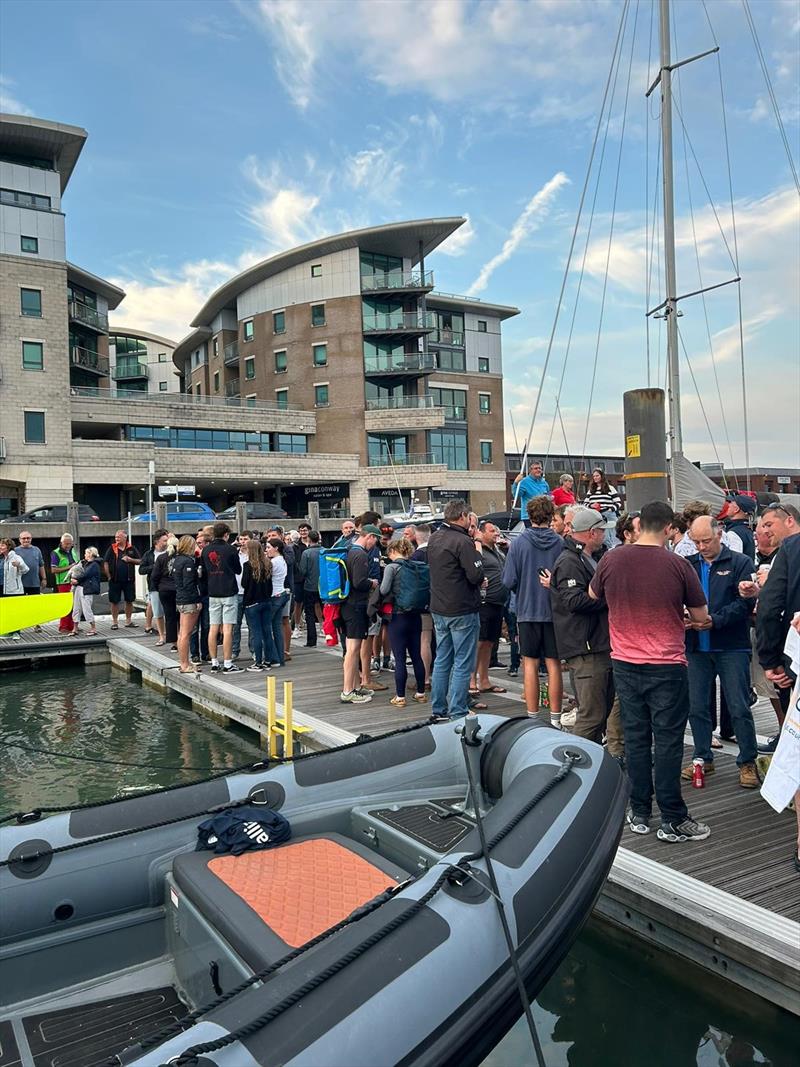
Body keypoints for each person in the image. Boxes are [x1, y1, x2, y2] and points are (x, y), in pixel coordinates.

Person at [589, 500, 712, 843]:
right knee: (669, 742)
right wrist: (686, 620)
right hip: (666, 664)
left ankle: (639, 809)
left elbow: (592, 593)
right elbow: (701, 616)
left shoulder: (612, 558)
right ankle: (672, 817)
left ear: (639, 524)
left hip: (625, 662)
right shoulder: (678, 565)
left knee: (636, 738)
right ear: (671, 528)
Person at [682, 516, 759, 788]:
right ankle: (703, 757)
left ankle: (748, 761)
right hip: (695, 647)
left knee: (738, 705)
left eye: (706, 540)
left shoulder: (740, 562)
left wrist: (715, 620)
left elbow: (744, 604)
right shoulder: (687, 565)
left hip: (731, 646)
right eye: (696, 541)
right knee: (697, 706)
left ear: (719, 534)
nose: (701, 546)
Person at [550, 509, 616, 747]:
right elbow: (574, 601)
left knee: (600, 711)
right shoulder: (569, 561)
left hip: (596, 644)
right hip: (586, 647)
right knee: (591, 715)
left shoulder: (588, 558)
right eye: (601, 531)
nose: (604, 537)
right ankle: (575, 765)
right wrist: (609, 598)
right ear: (591, 533)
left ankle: (590, 761)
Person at [502, 495, 564, 726]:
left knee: (529, 663)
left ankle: (532, 717)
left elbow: (508, 580)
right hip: (553, 611)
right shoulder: (559, 543)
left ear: (529, 515)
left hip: (527, 610)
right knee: (553, 664)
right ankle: (556, 719)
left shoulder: (518, 543)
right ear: (550, 515)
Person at [427, 500, 485, 721]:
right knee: (463, 662)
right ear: (463, 516)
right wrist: (477, 546)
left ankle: (438, 709)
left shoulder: (435, 537)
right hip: (461, 608)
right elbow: (475, 575)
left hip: (439, 607)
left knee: (442, 658)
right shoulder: (462, 541)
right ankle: (458, 710)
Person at [379, 537, 427, 707]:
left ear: (393, 551)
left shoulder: (392, 567)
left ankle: (400, 697)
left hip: (397, 616)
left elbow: (384, 590)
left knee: (400, 658)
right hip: (416, 616)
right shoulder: (417, 566)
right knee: (416, 656)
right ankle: (421, 693)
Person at [339, 524, 382, 704]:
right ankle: (348, 691)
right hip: (356, 606)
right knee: (353, 650)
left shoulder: (349, 550)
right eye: (375, 540)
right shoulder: (361, 554)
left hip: (346, 604)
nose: (375, 544)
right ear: (370, 536)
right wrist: (372, 583)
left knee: (351, 649)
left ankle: (356, 687)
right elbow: (359, 582)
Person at [469, 521, 509, 700]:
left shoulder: (497, 550)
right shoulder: (478, 550)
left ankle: (484, 680)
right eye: (492, 531)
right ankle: (471, 680)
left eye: (497, 530)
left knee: (489, 642)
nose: (496, 533)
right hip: (484, 600)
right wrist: (477, 543)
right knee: (479, 641)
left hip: (498, 601)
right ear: (482, 532)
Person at [202, 522, 243, 674]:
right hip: (228, 591)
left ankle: (214, 662)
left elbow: (205, 571)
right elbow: (238, 570)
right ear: (226, 534)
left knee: (213, 628)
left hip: (213, 591)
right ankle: (227, 663)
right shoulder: (231, 549)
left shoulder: (206, 550)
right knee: (227, 629)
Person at [242, 539, 274, 671]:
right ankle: (268, 660)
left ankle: (258, 662)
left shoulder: (248, 565)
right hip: (266, 601)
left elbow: (244, 583)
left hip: (252, 602)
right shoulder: (267, 563)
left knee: (256, 633)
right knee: (267, 631)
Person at [173, 535, 202, 674]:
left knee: (182, 633)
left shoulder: (176, 560)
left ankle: (184, 662)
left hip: (180, 598)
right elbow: (189, 583)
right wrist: (197, 600)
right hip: (189, 600)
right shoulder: (188, 562)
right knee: (186, 633)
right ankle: (184, 664)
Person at [411, 523, 435, 688]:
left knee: (424, 641)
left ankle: (425, 678)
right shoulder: (438, 552)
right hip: (442, 601)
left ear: (416, 537)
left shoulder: (415, 557)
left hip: (423, 604)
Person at [103, 530, 141, 629]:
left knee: (129, 600)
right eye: (116, 537)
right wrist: (108, 575)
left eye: (118, 537)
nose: (116, 539)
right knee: (114, 601)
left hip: (129, 580)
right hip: (114, 580)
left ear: (125, 537)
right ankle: (115, 622)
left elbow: (140, 561)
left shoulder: (131, 548)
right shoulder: (112, 548)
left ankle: (128, 621)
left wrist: (130, 559)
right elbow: (106, 562)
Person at [138, 529, 169, 641]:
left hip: (169, 586)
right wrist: (156, 566)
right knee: (158, 612)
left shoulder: (171, 552)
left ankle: (174, 635)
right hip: (154, 586)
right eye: (164, 540)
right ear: (157, 541)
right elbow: (141, 570)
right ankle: (161, 635)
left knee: (171, 613)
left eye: (167, 540)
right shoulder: (149, 554)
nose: (167, 543)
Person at [265, 538, 291, 667]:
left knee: (267, 627)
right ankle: (280, 657)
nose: (267, 550)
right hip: (282, 594)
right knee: (277, 627)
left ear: (276, 548)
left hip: (274, 596)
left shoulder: (273, 562)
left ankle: (273, 657)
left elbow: (265, 577)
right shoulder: (282, 560)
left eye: (269, 547)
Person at [150, 536, 179, 650]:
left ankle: (174, 643)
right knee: (181, 616)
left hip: (164, 590)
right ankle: (182, 638)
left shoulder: (161, 558)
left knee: (169, 616)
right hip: (178, 590)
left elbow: (154, 576)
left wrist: (159, 587)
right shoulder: (181, 558)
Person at [583, 468, 622, 550]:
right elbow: (585, 504)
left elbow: (618, 502)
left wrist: (610, 509)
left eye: (597, 475)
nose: (595, 478)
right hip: (596, 515)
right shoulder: (591, 490)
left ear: (601, 476)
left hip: (608, 514)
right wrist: (592, 506)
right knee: (601, 537)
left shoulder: (610, 488)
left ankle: (614, 550)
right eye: (594, 476)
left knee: (613, 536)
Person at [15, 531, 46, 633]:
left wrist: (44, 579)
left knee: (35, 605)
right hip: (20, 584)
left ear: (31, 539)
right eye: (24, 538)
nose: (26, 540)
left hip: (34, 583)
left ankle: (37, 624)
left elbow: (41, 565)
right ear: (20, 540)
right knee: (20, 606)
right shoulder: (15, 551)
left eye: (28, 538)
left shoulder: (36, 550)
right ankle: (18, 626)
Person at [296, 530, 322, 646]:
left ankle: (312, 640)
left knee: (309, 613)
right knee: (326, 609)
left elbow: (303, 571)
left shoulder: (306, 553)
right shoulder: (324, 551)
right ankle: (328, 633)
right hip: (323, 586)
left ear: (309, 540)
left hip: (310, 586)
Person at [0, 538, 28, 640]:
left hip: (14, 589)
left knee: (15, 611)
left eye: (2, 545)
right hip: (2, 588)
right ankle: (7, 631)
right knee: (5, 611)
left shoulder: (16, 557)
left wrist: (19, 565)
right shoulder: (2, 558)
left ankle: (16, 632)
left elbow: (26, 570)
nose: (0, 547)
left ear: (9, 547)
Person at [69, 546, 101, 636]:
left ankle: (93, 628)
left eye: (86, 553)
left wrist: (76, 580)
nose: (84, 555)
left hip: (87, 589)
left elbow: (85, 575)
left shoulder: (94, 564)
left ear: (91, 554)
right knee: (76, 608)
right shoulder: (85, 563)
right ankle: (75, 628)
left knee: (87, 609)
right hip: (79, 588)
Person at [190, 529, 210, 664]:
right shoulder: (192, 559)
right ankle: (194, 653)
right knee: (194, 627)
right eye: (197, 543)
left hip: (207, 594)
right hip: (194, 595)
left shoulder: (210, 558)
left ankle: (206, 652)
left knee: (206, 625)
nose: (199, 546)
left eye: (201, 543)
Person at [51, 533, 78, 633]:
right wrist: (69, 567)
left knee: (74, 605)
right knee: (65, 605)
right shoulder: (56, 553)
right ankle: (63, 627)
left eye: (69, 544)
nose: (67, 546)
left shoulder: (73, 551)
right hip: (63, 582)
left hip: (74, 581)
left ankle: (72, 626)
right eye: (65, 544)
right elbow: (53, 570)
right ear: (61, 543)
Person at [232, 530, 251, 661]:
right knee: (235, 624)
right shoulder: (234, 554)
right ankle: (234, 650)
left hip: (250, 593)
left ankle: (254, 650)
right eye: (241, 539)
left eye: (245, 539)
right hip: (236, 592)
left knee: (252, 624)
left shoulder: (254, 555)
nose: (243, 542)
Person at [721, 493, 756, 559]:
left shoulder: (734, 534)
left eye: (731, 503)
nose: (729, 505)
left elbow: (733, 561)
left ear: (736, 509)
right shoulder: (748, 530)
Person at [292, 522, 312, 635]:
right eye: (301, 530)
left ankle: (319, 626)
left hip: (311, 577)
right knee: (298, 603)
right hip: (299, 578)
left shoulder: (313, 544)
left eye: (305, 530)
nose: (303, 532)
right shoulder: (296, 546)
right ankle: (296, 626)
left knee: (315, 603)